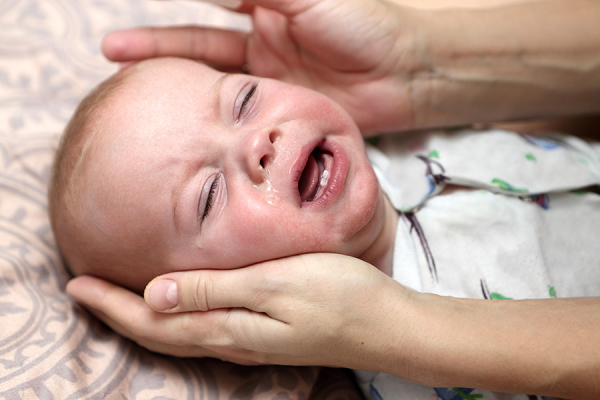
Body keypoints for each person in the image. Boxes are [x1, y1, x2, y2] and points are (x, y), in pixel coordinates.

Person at [63, 0, 600, 398]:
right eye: (209, 196)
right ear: (218, 299)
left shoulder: (408, 130)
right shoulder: (414, 370)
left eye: (246, 98)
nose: (258, 143)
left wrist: (423, 66)